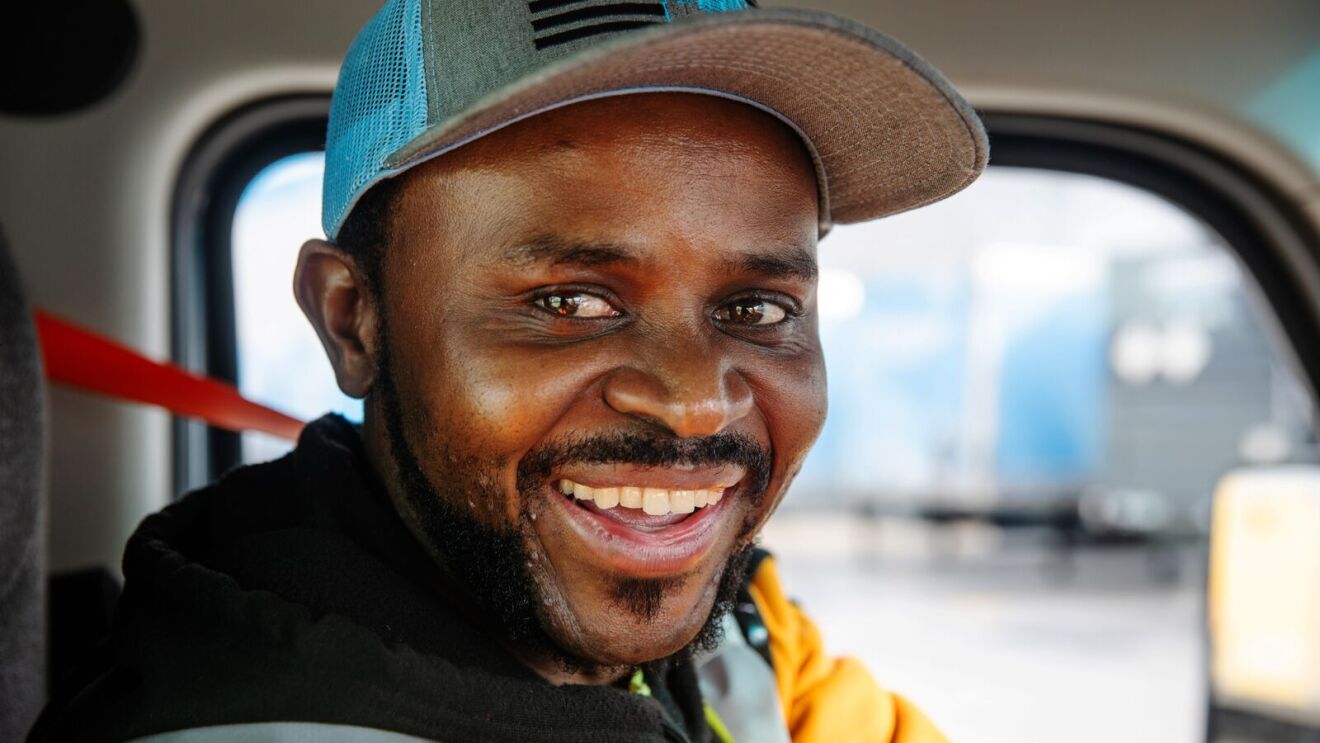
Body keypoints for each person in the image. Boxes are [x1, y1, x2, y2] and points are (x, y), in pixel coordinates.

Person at [32, 1, 986, 741]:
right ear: (351, 320)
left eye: (755, 311)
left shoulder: (739, 625)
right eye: (569, 302)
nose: (697, 401)